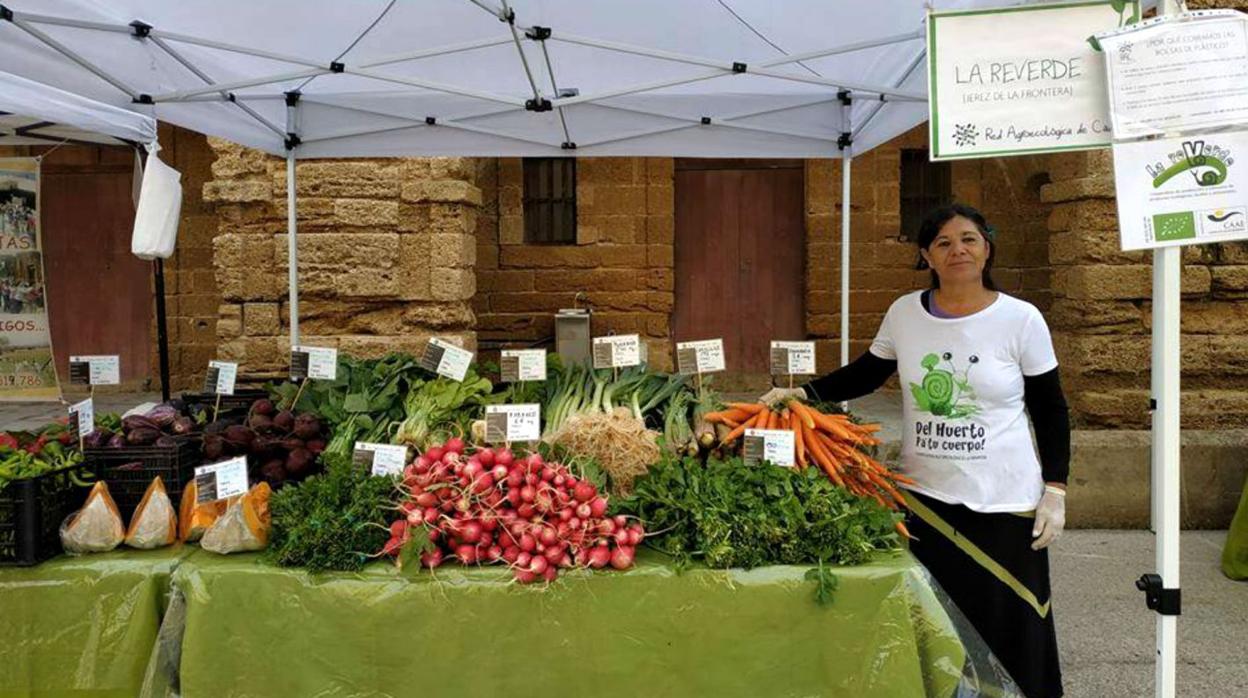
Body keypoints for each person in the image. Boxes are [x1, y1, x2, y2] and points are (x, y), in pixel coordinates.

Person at [761, 203, 1069, 698]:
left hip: (1003, 500)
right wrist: (803, 394)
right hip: (925, 497)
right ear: (927, 255)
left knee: (1012, 615)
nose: (958, 251)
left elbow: (1051, 408)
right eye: (943, 243)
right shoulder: (906, 312)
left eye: (968, 239)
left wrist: (1055, 487)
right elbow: (867, 372)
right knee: (940, 617)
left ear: (986, 248)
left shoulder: (1021, 319)